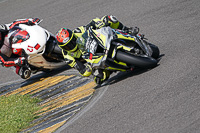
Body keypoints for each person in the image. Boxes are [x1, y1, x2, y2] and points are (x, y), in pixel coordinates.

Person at [56, 15, 138, 84]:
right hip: (93, 60)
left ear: (73, 36)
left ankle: (127, 30)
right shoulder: (67, 57)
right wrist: (88, 68)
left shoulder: (78, 31)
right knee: (98, 79)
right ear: (63, 48)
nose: (72, 46)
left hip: (97, 42)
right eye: (67, 46)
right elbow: (83, 71)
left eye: (72, 42)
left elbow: (91, 24)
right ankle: (112, 68)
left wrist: (98, 24)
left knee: (109, 19)